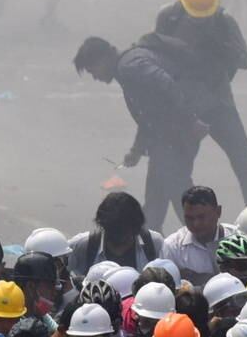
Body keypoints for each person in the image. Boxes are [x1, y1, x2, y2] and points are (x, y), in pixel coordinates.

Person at [74, 34, 209, 228]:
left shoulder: (130, 67)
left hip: (174, 138)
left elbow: (166, 83)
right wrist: (137, 150)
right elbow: (149, 117)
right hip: (166, 140)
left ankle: (203, 239)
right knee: (156, 201)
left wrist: (191, 120)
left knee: (179, 194)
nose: (94, 76)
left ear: (103, 58)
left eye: (92, 69)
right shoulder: (127, 69)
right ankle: (152, 246)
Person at [154, 0, 247, 205]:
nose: (199, 20)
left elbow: (245, 60)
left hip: (219, 103)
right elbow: (156, 55)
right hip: (184, 107)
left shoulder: (224, 21)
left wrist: (222, 47)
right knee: (178, 169)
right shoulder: (168, 17)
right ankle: (191, 221)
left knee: (245, 165)